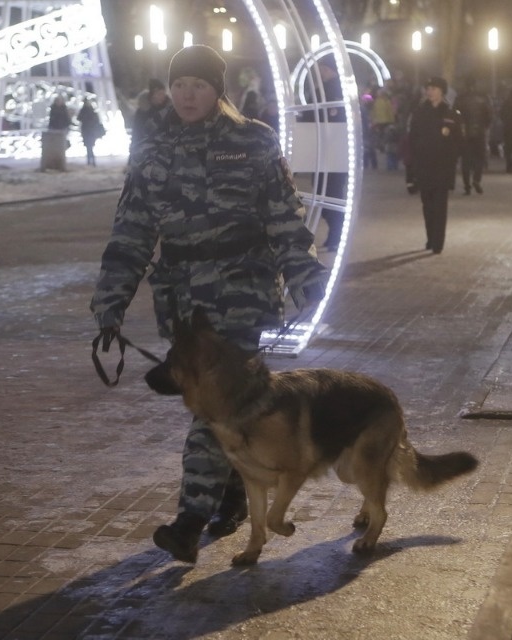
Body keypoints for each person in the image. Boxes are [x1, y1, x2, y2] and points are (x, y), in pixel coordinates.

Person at [90, 45, 328, 564]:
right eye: (179, 85)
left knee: (213, 405)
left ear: (217, 89)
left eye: (197, 84)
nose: (186, 94)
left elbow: (284, 219)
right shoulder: (153, 147)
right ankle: (233, 492)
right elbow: (131, 232)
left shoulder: (253, 141)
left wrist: (308, 279)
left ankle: (189, 521)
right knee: (224, 407)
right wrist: (110, 303)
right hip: (184, 299)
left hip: (242, 287)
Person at [408, 76, 462, 255]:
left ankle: (438, 241)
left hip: (442, 168)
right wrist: (412, 169)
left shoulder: (450, 113)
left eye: (434, 88)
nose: (430, 91)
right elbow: (412, 139)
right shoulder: (420, 112)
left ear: (442, 91)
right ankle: (430, 237)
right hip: (424, 166)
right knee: (427, 205)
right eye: (428, 88)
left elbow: (457, 142)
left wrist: (452, 166)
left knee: (440, 206)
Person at [305, 56, 347, 251]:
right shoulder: (324, 90)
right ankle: (335, 233)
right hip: (326, 148)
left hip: (331, 148)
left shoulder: (334, 90)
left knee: (329, 193)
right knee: (325, 192)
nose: (320, 73)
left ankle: (337, 233)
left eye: (322, 69)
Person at [453, 77, 492, 194]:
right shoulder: (483, 98)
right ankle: (476, 179)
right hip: (479, 132)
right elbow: (489, 115)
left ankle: (467, 186)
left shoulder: (460, 98)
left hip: (464, 133)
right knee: (479, 158)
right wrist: (485, 126)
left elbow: (455, 114)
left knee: (466, 160)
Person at [128, 78, 170, 166]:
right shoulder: (142, 112)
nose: (163, 96)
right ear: (153, 94)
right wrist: (132, 158)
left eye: (163, 93)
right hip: (145, 153)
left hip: (165, 154)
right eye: (160, 93)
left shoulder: (169, 110)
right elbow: (136, 134)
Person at [76, 99, 104, 166]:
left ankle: (91, 161)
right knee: (89, 146)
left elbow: (96, 121)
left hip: (90, 131)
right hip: (88, 131)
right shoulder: (88, 111)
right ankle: (91, 161)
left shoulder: (90, 111)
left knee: (89, 146)